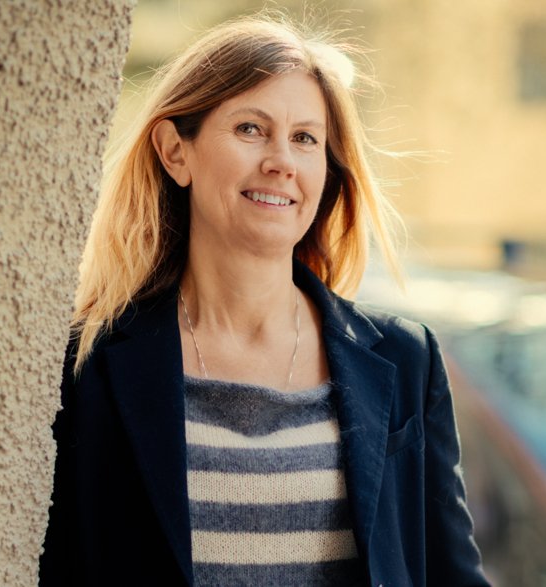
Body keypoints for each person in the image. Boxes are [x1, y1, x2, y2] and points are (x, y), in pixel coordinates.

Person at [39, 15, 490, 587]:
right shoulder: (87, 364)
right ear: (176, 152)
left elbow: (452, 574)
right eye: (251, 129)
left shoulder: (406, 360)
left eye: (305, 138)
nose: (281, 160)